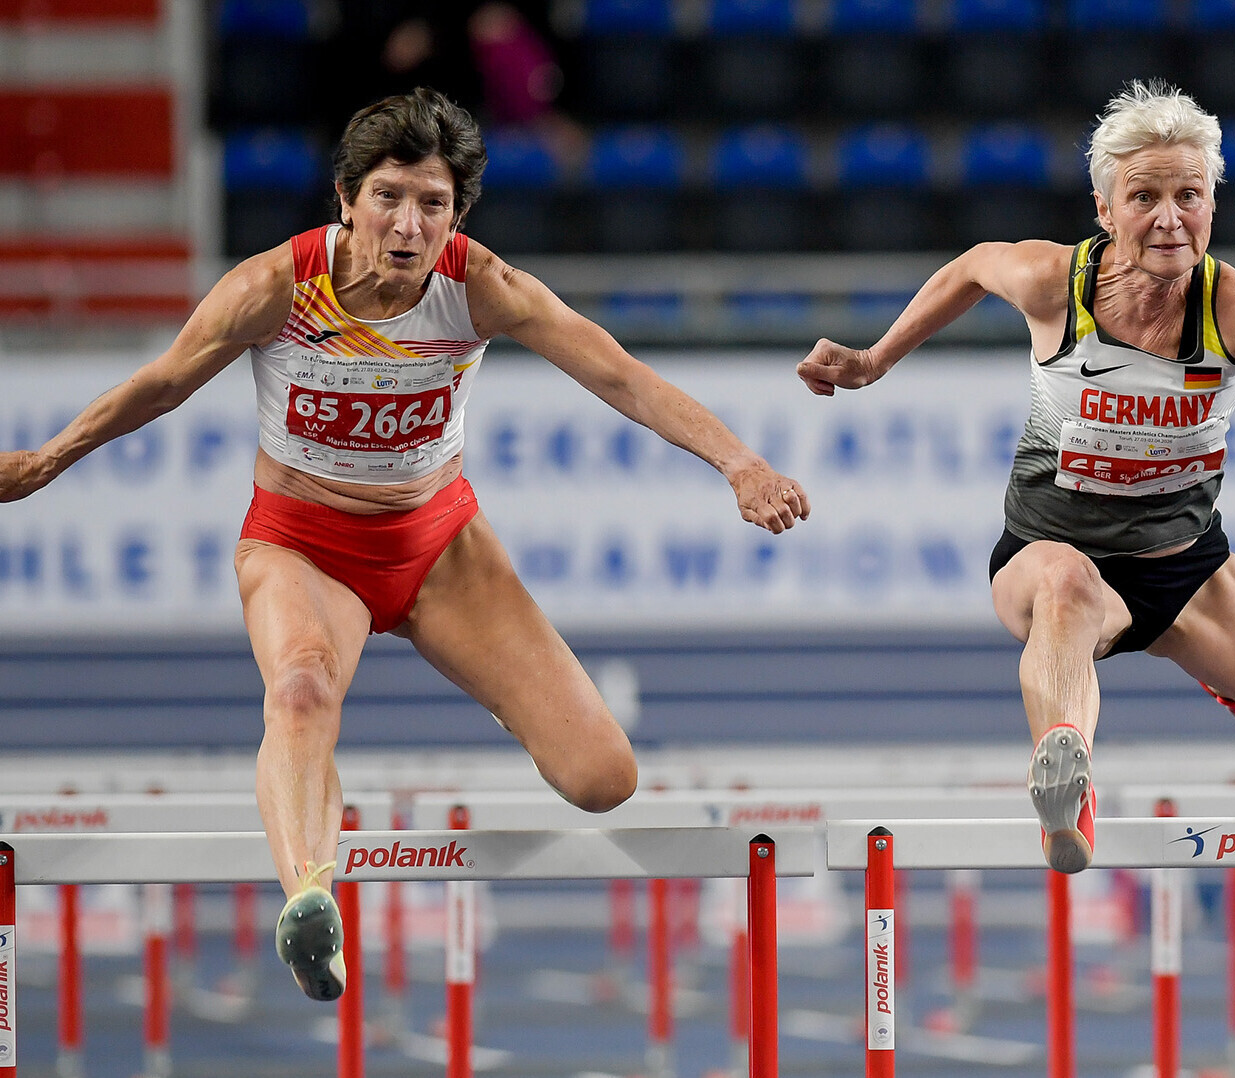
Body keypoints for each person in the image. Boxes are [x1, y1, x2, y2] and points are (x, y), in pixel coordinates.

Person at [0, 88, 811, 1000]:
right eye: (388, 196)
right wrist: (45, 460)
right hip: (303, 547)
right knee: (301, 689)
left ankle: (504, 689)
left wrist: (741, 464)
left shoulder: (482, 286)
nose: (408, 225)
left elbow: (622, 377)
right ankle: (311, 900)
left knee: (602, 779)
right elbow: (160, 384)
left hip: (438, 545)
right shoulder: (275, 287)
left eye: (433, 203)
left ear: (456, 216)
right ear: (346, 200)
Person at [797, 81, 1235, 874]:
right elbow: (973, 268)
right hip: (1046, 555)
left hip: (1185, 570)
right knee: (1069, 586)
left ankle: (1234, 684)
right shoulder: (1055, 283)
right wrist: (875, 359)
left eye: (1188, 196)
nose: (1169, 219)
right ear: (1105, 210)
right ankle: (1066, 778)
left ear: (1211, 205)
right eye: (1144, 197)